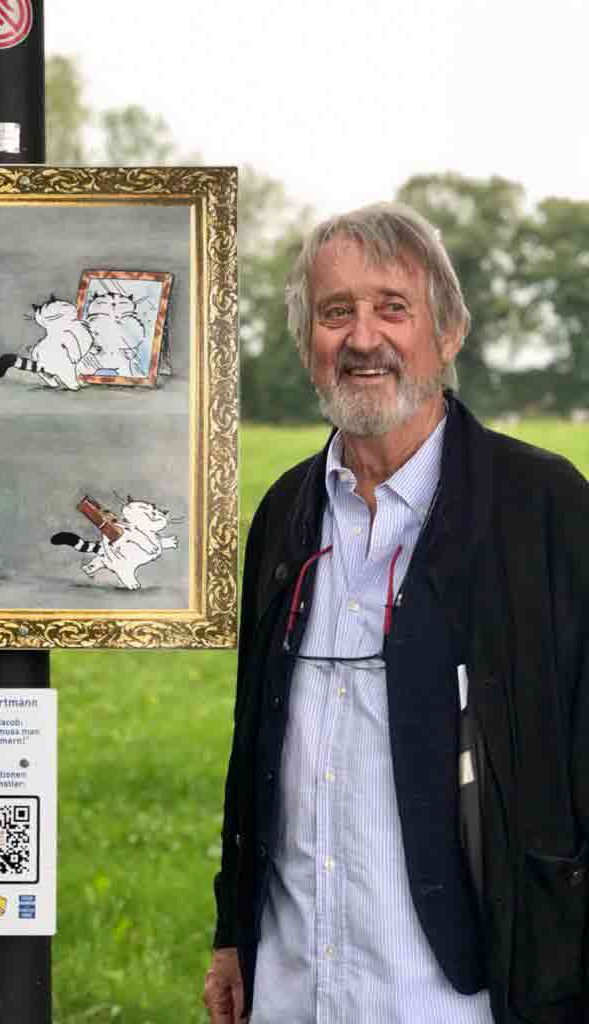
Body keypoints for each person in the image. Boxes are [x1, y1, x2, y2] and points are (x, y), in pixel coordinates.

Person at [203, 202, 589, 1024]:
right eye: (335, 312)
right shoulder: (283, 514)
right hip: (295, 991)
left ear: (448, 334)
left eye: (392, 308)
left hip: (464, 998)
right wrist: (232, 933)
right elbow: (254, 744)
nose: (363, 337)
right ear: (307, 343)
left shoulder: (545, 509)